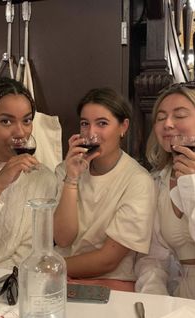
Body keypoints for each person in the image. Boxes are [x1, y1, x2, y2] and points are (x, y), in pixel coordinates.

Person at [53, 87, 155, 291]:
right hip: (62, 279)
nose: (91, 133)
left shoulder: (138, 181)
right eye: (85, 124)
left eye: (102, 123)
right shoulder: (65, 170)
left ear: (123, 127)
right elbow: (63, 239)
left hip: (112, 283)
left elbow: (108, 260)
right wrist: (71, 179)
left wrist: (47, 267)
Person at [0, 77, 57, 269]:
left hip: (13, 287)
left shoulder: (43, 179)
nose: (20, 132)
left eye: (26, 120)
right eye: (6, 121)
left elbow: (32, 253)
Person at [135, 81, 195, 300]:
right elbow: (152, 259)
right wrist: (155, 300)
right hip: (180, 298)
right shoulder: (156, 182)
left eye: (180, 115)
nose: (167, 124)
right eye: (160, 117)